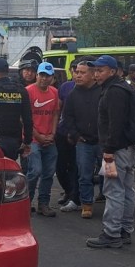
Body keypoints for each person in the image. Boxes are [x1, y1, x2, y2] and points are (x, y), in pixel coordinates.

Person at [86, 55, 135, 248]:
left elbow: (116, 124)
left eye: (100, 70)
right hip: (126, 147)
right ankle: (124, 230)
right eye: (95, 70)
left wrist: (108, 150)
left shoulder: (114, 91)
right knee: (126, 190)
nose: (96, 74)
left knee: (113, 191)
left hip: (116, 150)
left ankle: (112, 233)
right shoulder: (121, 88)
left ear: (113, 71)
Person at [62, 59, 102, 219]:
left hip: (102, 141)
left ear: (93, 75)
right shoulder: (73, 94)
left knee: (108, 174)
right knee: (84, 175)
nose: (77, 75)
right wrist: (76, 135)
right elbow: (67, 117)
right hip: (83, 142)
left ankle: (112, 203)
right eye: (76, 72)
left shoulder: (102, 92)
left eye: (82, 73)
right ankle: (86, 204)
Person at [26, 62, 61, 217]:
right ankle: (25, 201)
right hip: (33, 140)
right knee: (35, 171)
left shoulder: (54, 92)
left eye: (48, 76)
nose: (44, 79)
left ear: (52, 78)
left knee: (48, 173)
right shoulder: (28, 92)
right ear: (37, 75)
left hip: (49, 139)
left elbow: (55, 114)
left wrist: (52, 134)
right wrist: (38, 136)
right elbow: (24, 119)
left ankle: (43, 204)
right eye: (42, 75)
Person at [55, 60, 81, 211]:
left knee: (76, 167)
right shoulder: (65, 87)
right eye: (76, 70)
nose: (78, 74)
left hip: (80, 135)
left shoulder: (93, 88)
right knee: (60, 166)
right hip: (63, 133)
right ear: (71, 71)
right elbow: (58, 110)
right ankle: (68, 191)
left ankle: (74, 196)